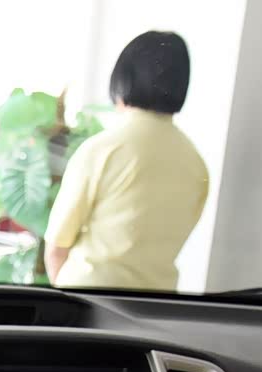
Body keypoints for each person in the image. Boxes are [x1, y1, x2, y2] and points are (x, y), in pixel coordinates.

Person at [45, 31, 209, 291]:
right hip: (159, 301)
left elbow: (57, 245)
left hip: (89, 295)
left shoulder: (102, 149)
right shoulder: (195, 162)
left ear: (123, 81)